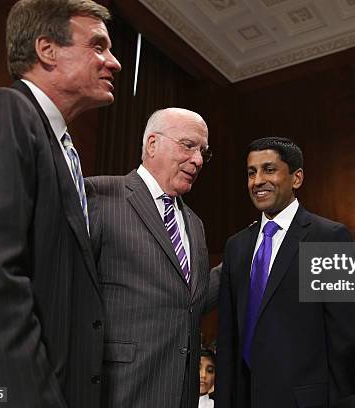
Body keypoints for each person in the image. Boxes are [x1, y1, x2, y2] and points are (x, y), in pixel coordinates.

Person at [0, 0, 121, 406]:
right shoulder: (1, 114)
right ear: (47, 50)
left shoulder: (56, 145)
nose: (114, 62)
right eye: (98, 46)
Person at [216, 137, 355, 408]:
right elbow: (228, 341)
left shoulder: (328, 238)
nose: (257, 180)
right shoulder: (235, 246)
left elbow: (347, 339)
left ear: (296, 178)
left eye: (269, 169)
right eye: (251, 172)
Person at [85, 108, 219, 408]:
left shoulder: (195, 224)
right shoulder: (100, 195)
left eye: (203, 153)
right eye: (188, 145)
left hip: (181, 394)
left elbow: (187, 301)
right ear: (152, 144)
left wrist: (248, 252)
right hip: (118, 391)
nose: (197, 160)